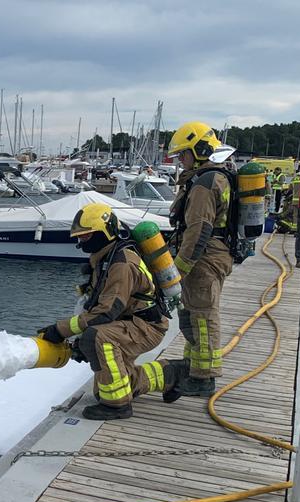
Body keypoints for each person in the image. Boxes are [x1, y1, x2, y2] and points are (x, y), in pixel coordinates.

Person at [37, 203, 185, 420]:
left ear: (103, 233)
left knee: (98, 338)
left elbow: (105, 313)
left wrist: (59, 330)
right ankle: (171, 374)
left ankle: (117, 407)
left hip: (145, 326)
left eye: (86, 237)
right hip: (130, 323)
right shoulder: (106, 257)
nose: (81, 242)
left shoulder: (121, 264)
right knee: (108, 387)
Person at [165, 121, 237, 397]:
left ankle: (204, 377)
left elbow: (198, 230)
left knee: (204, 318)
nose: (180, 161)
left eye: (183, 154)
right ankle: (193, 367)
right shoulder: (215, 176)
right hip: (213, 255)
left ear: (200, 150)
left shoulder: (205, 184)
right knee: (195, 315)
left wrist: (178, 269)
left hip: (204, 260)